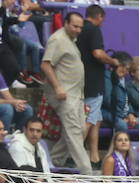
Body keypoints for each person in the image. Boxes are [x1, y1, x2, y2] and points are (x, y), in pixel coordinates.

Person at [40, 11, 90, 174]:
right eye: (75, 26)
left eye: (80, 27)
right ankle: (88, 175)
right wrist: (58, 88)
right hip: (64, 95)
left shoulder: (70, 39)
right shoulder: (57, 39)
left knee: (80, 129)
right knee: (75, 132)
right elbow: (45, 65)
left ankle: (53, 161)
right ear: (66, 23)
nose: (78, 30)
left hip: (76, 95)